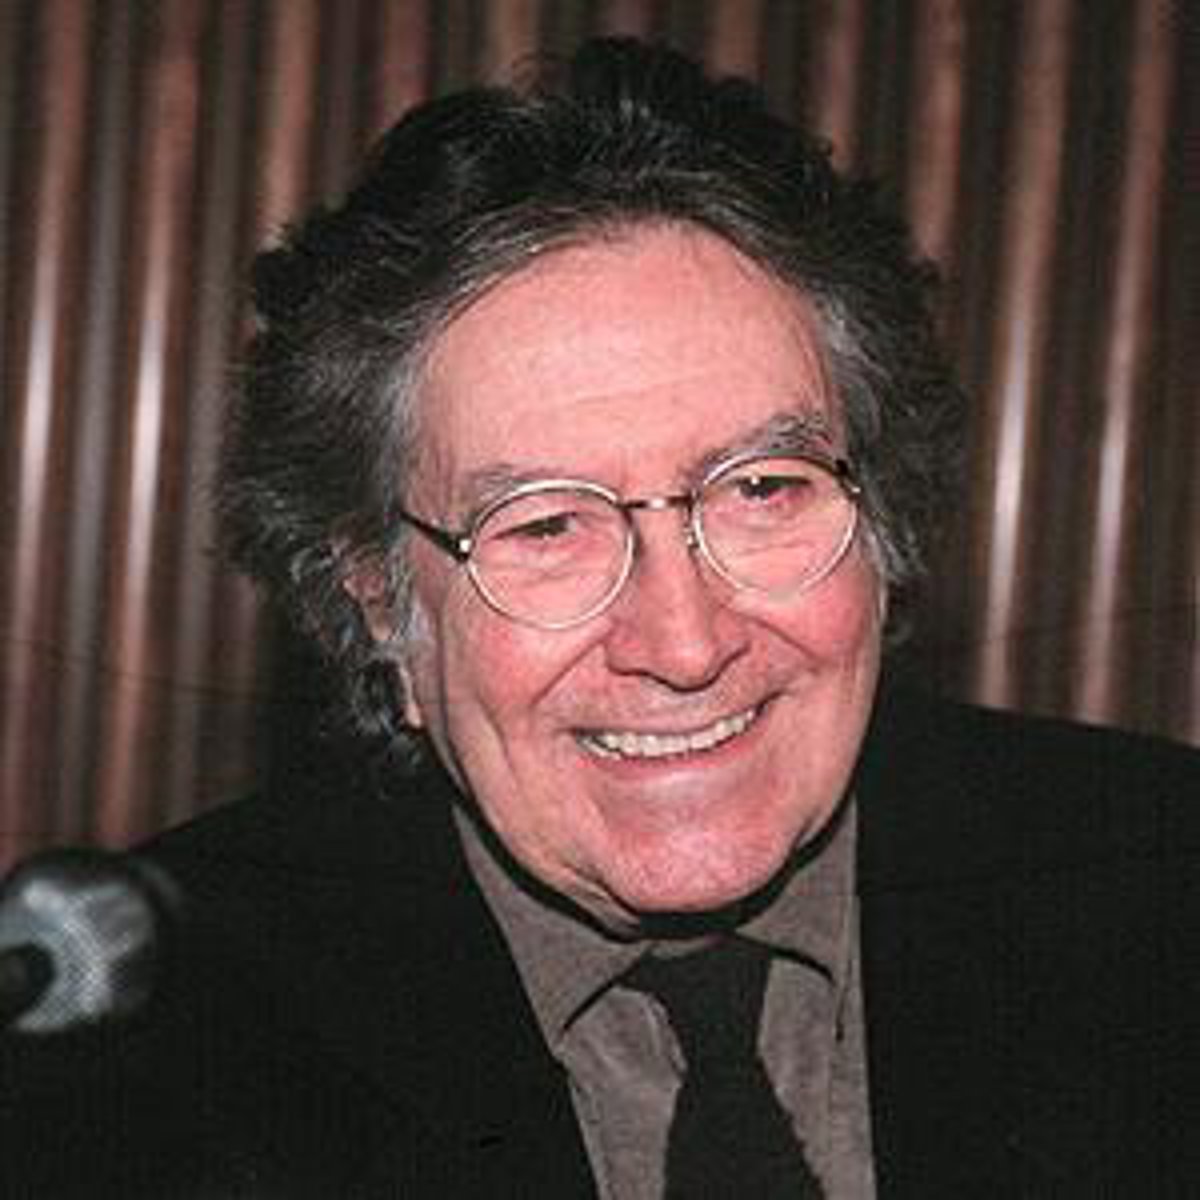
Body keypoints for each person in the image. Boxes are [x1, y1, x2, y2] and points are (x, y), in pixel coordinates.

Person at [4, 36, 1198, 1198]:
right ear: (378, 599)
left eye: (762, 490)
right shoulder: (138, 1058)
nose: (685, 644)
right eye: (543, 526)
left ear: (880, 520)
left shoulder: (1160, 893)